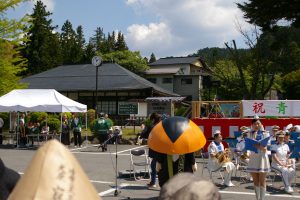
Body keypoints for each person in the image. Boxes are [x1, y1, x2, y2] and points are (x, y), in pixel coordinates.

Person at [247, 118, 270, 200]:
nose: (257, 125)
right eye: (255, 124)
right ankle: (258, 198)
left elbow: (265, 149)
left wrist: (258, 146)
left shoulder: (266, 133)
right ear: (252, 125)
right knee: (255, 180)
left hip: (262, 158)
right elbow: (248, 146)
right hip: (253, 158)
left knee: (262, 180)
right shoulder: (249, 134)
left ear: (261, 124)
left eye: (258, 124)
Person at [140, 113, 161, 189]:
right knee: (162, 166)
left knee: (154, 166)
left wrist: (143, 128)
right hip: (163, 149)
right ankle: (161, 183)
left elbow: (144, 135)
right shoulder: (162, 126)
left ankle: (153, 182)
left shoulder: (152, 127)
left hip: (155, 148)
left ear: (153, 119)